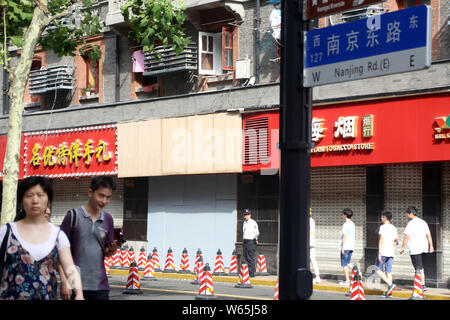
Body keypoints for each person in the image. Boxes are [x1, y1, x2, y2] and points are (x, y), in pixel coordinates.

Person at [0, 176, 83, 300]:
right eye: (29, 195)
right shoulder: (6, 231)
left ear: (48, 200)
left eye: (40, 195)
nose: (35, 200)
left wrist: (79, 293)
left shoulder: (58, 235)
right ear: (22, 200)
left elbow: (70, 268)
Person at [60, 176, 119, 300]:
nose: (104, 201)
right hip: (74, 285)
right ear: (90, 192)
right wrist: (65, 281)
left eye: (108, 197)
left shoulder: (108, 219)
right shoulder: (73, 217)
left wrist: (111, 251)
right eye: (101, 195)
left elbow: (105, 252)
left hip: (100, 287)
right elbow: (60, 253)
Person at [399, 206, 434, 291]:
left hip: (415, 249)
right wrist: (431, 246)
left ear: (411, 213)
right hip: (424, 248)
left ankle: (421, 285)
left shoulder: (411, 223)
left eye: (407, 214)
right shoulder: (423, 222)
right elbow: (428, 235)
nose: (407, 215)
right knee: (421, 267)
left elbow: (407, 236)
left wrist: (402, 247)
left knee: (418, 268)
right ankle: (421, 284)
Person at [375, 211, 398, 297]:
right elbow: (396, 241)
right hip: (391, 252)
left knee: (377, 269)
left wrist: (379, 253)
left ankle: (391, 285)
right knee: (388, 271)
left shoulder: (383, 227)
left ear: (385, 217)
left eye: (382, 217)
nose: (381, 218)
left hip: (384, 251)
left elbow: (381, 240)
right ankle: (389, 292)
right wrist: (393, 252)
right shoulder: (394, 228)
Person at [339, 208, 355, 286]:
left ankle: (347, 281)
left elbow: (345, 236)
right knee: (348, 263)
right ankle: (358, 273)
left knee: (344, 264)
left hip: (346, 247)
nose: (343, 216)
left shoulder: (346, 225)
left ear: (345, 215)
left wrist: (343, 248)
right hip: (351, 247)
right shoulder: (352, 224)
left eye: (343, 214)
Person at [242, 208, 259, 278]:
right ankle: (247, 272)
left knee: (250, 257)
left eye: (248, 214)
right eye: (245, 214)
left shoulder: (253, 222)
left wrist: (256, 239)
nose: (246, 216)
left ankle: (252, 272)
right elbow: (244, 231)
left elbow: (256, 232)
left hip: (251, 241)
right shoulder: (244, 222)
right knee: (245, 256)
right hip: (245, 241)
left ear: (250, 215)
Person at [310, 208, 321, 284]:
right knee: (312, 259)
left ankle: (317, 277)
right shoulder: (312, 220)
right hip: (312, 242)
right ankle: (317, 276)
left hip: (308, 242)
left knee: (310, 259)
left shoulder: (307, 221)